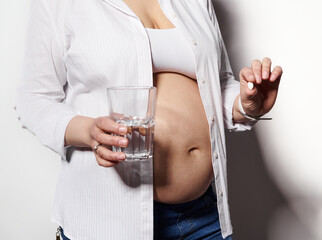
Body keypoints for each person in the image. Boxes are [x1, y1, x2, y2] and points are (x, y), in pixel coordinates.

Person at [15, 0, 282, 239]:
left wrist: (247, 104)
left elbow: (217, 84)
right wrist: (88, 131)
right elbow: (33, 100)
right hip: (108, 221)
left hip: (203, 217)